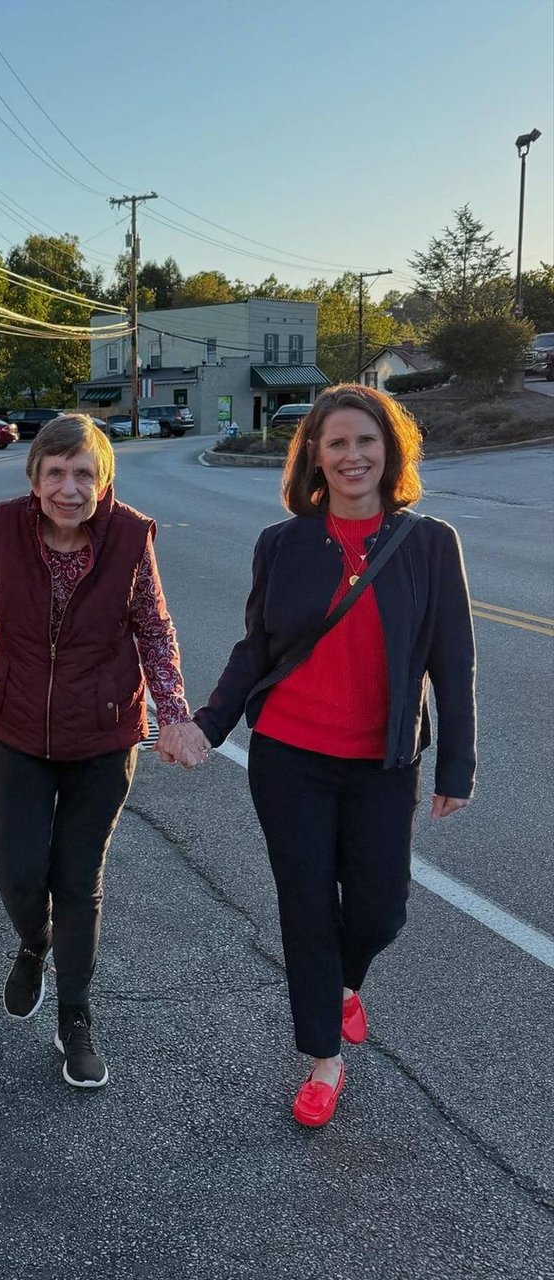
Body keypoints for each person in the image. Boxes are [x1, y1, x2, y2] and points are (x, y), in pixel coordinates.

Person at [0, 415, 208, 1088]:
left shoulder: (130, 538)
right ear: (34, 480)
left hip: (103, 736)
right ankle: (35, 942)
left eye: (84, 473)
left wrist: (175, 716)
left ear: (104, 480)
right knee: (18, 872)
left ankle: (75, 1015)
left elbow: (154, 630)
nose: (70, 488)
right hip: (19, 730)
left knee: (78, 880)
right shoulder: (4, 529)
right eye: (56, 473)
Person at [192, 384, 476, 1127]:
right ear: (314, 456)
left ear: (390, 451)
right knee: (307, 907)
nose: (353, 456)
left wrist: (458, 765)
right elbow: (256, 648)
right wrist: (207, 726)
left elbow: (454, 661)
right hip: (289, 756)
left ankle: (341, 986)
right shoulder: (282, 544)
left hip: (383, 761)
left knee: (381, 911)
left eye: (366, 441)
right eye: (337, 443)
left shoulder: (429, 544)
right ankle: (324, 1058)